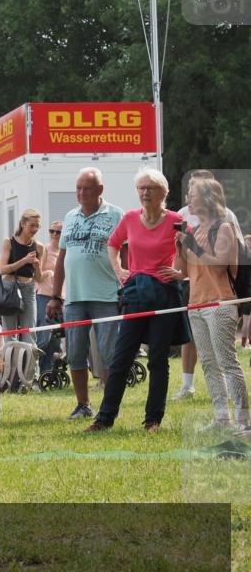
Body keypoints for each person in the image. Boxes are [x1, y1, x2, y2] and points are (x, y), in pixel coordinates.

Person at [85, 169, 191, 433]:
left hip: (164, 294)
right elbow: (113, 244)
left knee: (157, 359)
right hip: (135, 294)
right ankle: (104, 418)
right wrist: (118, 270)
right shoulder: (130, 218)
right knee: (121, 358)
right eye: (141, 188)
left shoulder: (177, 220)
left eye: (151, 188)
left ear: (163, 193)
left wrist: (181, 272)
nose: (145, 193)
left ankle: (153, 420)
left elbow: (192, 253)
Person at [47, 168, 125, 421]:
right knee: (76, 354)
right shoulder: (70, 216)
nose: (81, 193)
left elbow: (126, 252)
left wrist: (126, 284)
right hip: (74, 298)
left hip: (106, 296)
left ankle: (109, 406)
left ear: (100, 190)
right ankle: (83, 405)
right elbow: (61, 259)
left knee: (110, 353)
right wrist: (55, 296)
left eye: (87, 188)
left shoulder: (115, 215)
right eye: (78, 188)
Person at [175, 177, 249, 429]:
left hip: (220, 304)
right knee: (208, 363)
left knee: (227, 362)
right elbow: (183, 271)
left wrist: (192, 245)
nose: (188, 200)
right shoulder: (195, 232)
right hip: (195, 304)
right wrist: (180, 248)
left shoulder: (224, 227)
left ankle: (243, 421)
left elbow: (218, 266)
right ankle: (222, 418)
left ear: (207, 198)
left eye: (192, 195)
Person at [0, 209, 45, 373]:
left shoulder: (39, 247)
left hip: (29, 288)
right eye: (32, 225)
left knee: (29, 332)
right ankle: (10, 375)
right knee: (9, 334)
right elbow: (3, 269)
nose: (35, 229)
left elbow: (39, 278)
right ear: (22, 224)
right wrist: (24, 260)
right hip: (10, 287)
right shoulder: (9, 242)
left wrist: (37, 266)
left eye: (37, 226)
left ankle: (31, 375)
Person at [35, 221, 64, 375]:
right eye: (51, 231)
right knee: (43, 338)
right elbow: (37, 276)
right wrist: (49, 273)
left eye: (58, 232)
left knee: (55, 340)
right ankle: (34, 372)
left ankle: (47, 373)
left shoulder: (65, 251)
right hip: (44, 297)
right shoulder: (44, 250)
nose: (54, 234)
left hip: (61, 298)